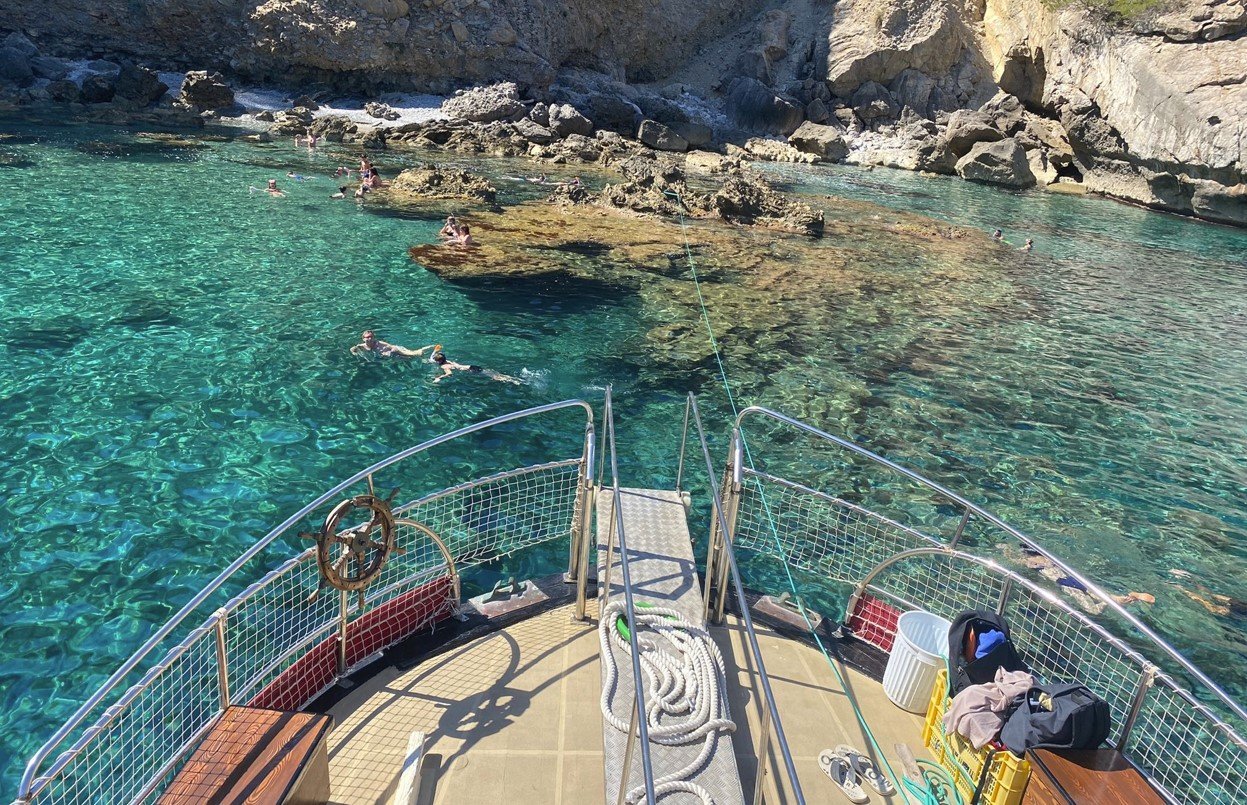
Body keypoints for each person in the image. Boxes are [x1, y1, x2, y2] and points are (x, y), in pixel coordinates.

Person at [430, 346, 520, 384]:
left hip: (472, 371)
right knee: (493, 373)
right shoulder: (448, 361)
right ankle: (513, 378)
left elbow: (449, 374)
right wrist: (436, 352)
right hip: (472, 366)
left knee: (495, 377)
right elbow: (438, 358)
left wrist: (439, 377)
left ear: (438, 361)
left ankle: (513, 381)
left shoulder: (444, 366)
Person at [350, 330, 432, 359]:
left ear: (374, 337)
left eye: (371, 337)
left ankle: (425, 349)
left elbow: (392, 347)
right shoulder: (361, 346)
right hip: (393, 355)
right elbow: (352, 349)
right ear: (363, 338)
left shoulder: (379, 343)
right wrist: (354, 353)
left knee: (413, 354)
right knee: (410, 358)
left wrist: (393, 351)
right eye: (367, 337)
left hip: (396, 351)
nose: (370, 338)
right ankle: (424, 355)